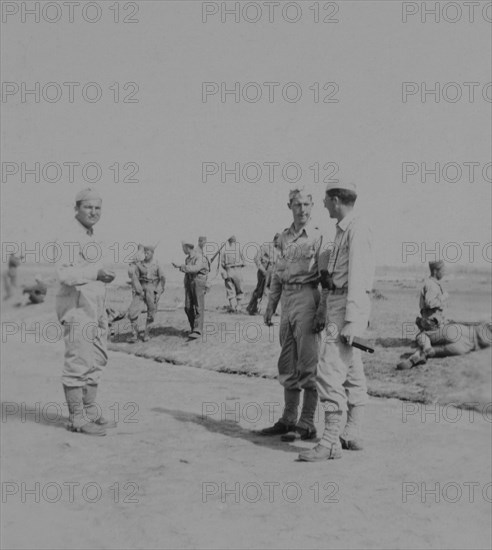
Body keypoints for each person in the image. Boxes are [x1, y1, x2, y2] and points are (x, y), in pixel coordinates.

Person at [299, 181, 374, 462]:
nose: (323, 204)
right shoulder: (343, 230)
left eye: (326, 200)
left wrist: (352, 321)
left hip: (347, 308)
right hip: (338, 304)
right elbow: (337, 276)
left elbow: (359, 278)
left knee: (329, 371)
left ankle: (330, 441)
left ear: (337, 200)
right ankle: (351, 431)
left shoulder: (357, 229)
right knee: (352, 368)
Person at [260, 189, 325, 442]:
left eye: (307, 204)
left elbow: (325, 280)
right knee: (287, 363)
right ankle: (288, 419)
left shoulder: (318, 237)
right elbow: (277, 273)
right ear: (289, 206)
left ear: (312, 206)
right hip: (287, 300)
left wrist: (322, 310)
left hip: (308, 298)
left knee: (308, 365)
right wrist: (270, 305)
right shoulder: (284, 238)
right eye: (297, 204)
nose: (302, 209)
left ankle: (307, 422)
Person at [55, 188, 116, 436]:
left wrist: (105, 299)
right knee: (78, 362)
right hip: (77, 308)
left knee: (98, 359)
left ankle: (89, 410)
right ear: (76, 208)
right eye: (88, 207)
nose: (93, 212)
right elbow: (65, 274)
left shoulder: (92, 237)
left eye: (98, 208)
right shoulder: (69, 236)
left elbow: (96, 276)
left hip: (95, 308)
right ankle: (76, 419)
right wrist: (96, 274)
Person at [397, 261, 492, 369]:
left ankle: (421, 352)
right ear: (435, 271)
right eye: (443, 271)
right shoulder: (431, 285)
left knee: (422, 337)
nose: (444, 273)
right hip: (434, 325)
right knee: (423, 336)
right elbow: (430, 303)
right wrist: (443, 297)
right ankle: (424, 351)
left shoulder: (432, 284)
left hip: (435, 325)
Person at [127, 244, 166, 343]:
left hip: (152, 289)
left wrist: (158, 292)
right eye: (145, 252)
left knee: (151, 314)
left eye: (148, 253)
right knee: (132, 312)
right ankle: (134, 335)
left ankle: (146, 334)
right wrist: (138, 289)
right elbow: (133, 276)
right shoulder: (139, 264)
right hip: (140, 289)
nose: (146, 254)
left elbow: (162, 280)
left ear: (152, 253)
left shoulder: (157, 265)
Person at [173, 239, 210, 339]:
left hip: (198, 281)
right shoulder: (188, 259)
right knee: (188, 307)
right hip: (190, 282)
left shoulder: (200, 257)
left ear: (187, 247)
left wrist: (181, 266)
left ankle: (198, 330)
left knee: (198, 306)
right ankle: (193, 328)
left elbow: (195, 269)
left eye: (183, 248)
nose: (183, 250)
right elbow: (188, 272)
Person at [246, 233, 281, 315]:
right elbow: (256, 258)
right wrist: (262, 270)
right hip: (264, 271)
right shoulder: (265, 247)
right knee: (260, 291)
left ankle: (274, 310)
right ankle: (251, 308)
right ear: (275, 240)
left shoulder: (279, 250)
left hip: (274, 272)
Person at [220, 235, 245, 312]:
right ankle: (239, 306)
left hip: (229, 270)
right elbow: (244, 262)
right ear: (235, 241)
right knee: (239, 289)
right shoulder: (239, 250)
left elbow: (222, 264)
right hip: (238, 270)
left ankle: (232, 306)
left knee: (230, 289)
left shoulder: (225, 251)